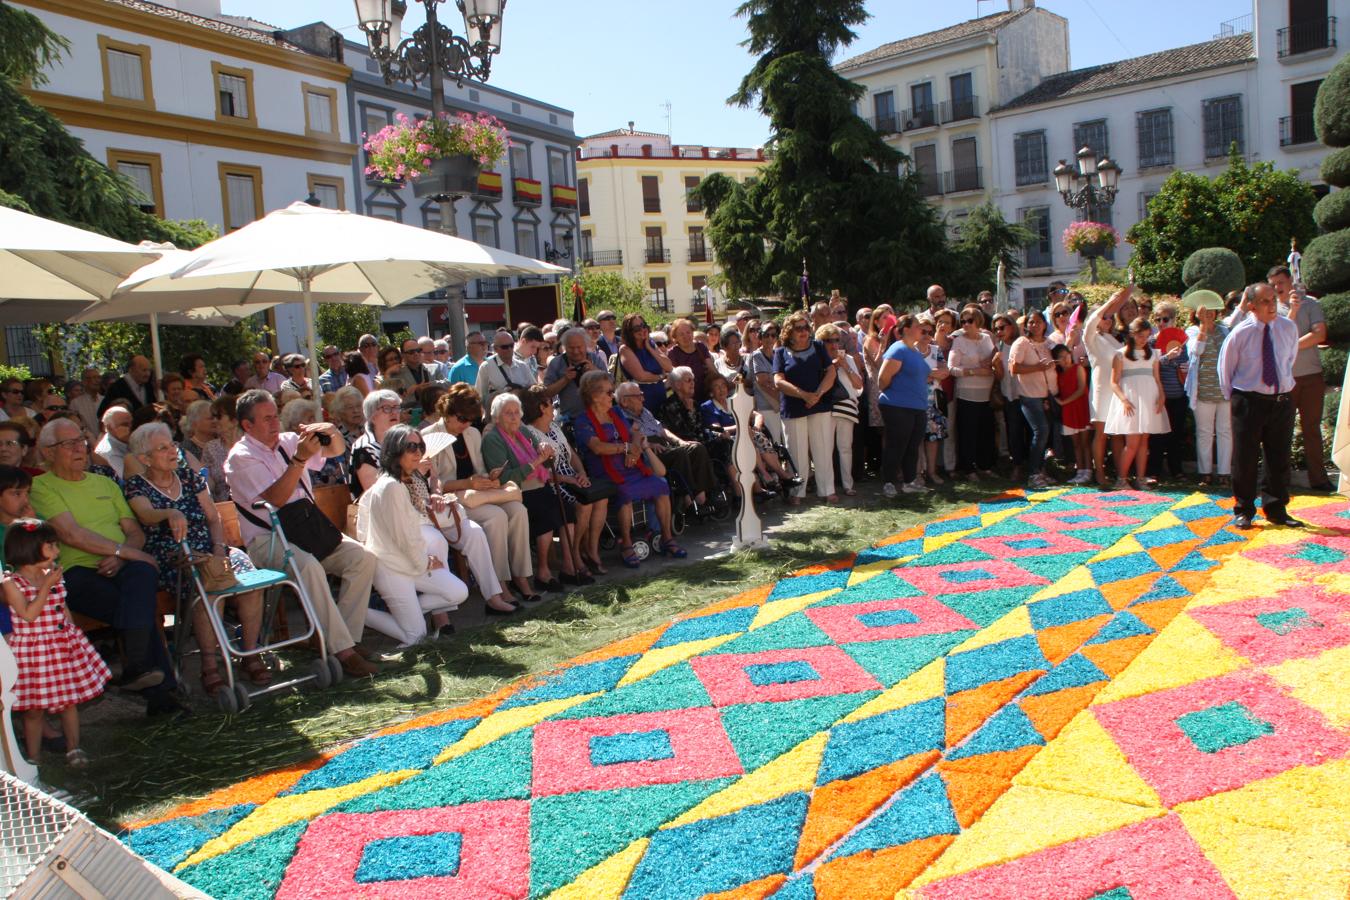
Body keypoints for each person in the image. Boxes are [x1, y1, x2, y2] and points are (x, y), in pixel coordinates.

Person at [224, 390, 380, 678]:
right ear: (247, 425)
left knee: (363, 558)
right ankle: (344, 652)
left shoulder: (286, 441)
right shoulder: (240, 458)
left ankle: (341, 638)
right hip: (266, 539)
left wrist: (329, 430)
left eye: (276, 415)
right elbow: (276, 500)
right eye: (267, 418)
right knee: (308, 567)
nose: (275, 423)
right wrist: (297, 461)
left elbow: (335, 451)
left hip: (307, 530)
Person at [30, 418, 179, 714]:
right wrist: (124, 551)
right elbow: (72, 534)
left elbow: (134, 532)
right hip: (77, 572)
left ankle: (138, 669)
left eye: (81, 441)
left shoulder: (105, 483)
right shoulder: (41, 486)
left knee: (142, 576)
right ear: (47, 452)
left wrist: (123, 555)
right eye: (68, 443)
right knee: (139, 605)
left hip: (123, 564)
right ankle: (160, 691)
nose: (79, 448)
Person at [124, 422, 269, 695]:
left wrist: (217, 548)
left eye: (172, 445)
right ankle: (210, 667)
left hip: (210, 549)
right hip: (175, 557)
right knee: (206, 592)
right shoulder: (136, 486)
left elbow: (213, 518)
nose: (171, 451)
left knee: (251, 582)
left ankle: (250, 655)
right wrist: (169, 513)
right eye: (162, 448)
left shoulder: (189, 478)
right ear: (144, 459)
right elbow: (144, 514)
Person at [2, 519, 110, 768]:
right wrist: (45, 588)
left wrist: (72, 633)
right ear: (29, 547)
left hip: (60, 644)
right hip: (32, 652)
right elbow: (28, 615)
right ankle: (33, 758)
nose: (57, 551)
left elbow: (63, 608)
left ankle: (74, 748)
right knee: (33, 709)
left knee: (68, 701)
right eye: (51, 546)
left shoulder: (53, 576)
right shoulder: (11, 583)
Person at [423, 385, 535, 608]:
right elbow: (432, 485)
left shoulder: (471, 433)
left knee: (518, 510)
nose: (466, 424)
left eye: (471, 419)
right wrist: (468, 483)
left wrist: (489, 477)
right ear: (447, 411)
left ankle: (521, 575)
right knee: (496, 517)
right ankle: (500, 583)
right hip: (452, 499)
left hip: (476, 493)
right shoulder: (428, 437)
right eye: (462, 418)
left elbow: (479, 468)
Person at [356, 425, 466, 645]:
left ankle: (410, 613)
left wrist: (423, 561)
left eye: (420, 446)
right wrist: (425, 561)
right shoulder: (390, 486)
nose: (418, 452)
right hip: (391, 568)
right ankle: (357, 613)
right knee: (416, 637)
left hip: (410, 562)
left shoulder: (398, 483)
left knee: (458, 592)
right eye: (411, 446)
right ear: (395, 451)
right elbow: (402, 537)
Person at [574, 371, 683, 567]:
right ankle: (626, 543)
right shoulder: (583, 420)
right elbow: (597, 447)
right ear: (594, 395)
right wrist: (625, 448)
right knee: (624, 494)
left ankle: (667, 538)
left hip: (631, 466)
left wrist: (633, 450)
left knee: (661, 486)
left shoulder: (615, 412)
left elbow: (635, 432)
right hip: (606, 472)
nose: (612, 396)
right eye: (608, 392)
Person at [1219, 283, 1302, 529]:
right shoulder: (1240, 333)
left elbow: (1289, 359)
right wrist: (1236, 400)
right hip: (1249, 400)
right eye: (1265, 301)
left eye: (1273, 299)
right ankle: (1243, 509)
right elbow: (1226, 369)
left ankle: (1276, 508)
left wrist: (1281, 388)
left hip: (1281, 400)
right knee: (1245, 457)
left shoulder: (1288, 327)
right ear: (1252, 306)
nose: (1271, 305)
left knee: (1279, 456)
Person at [480, 392, 570, 590]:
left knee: (561, 510)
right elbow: (503, 478)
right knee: (544, 515)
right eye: (507, 413)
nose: (514, 417)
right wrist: (535, 462)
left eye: (516, 412)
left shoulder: (522, 430)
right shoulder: (492, 439)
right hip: (516, 491)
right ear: (496, 416)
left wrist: (544, 447)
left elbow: (540, 445)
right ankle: (540, 572)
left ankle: (558, 568)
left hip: (539, 484)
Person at [522, 385, 609, 584]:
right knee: (584, 504)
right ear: (542, 407)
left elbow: (572, 454)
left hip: (572, 477)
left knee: (600, 497)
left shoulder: (554, 427)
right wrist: (570, 479)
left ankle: (591, 550)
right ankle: (575, 554)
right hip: (552, 482)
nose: (553, 407)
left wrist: (581, 473)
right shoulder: (530, 434)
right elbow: (541, 472)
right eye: (550, 403)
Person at [1268, 264, 1332, 490]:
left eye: (1281, 283)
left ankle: (1319, 479)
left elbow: (1320, 334)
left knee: (1311, 429)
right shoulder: (1271, 309)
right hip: (1285, 380)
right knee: (1280, 431)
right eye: (1273, 285)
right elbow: (1276, 339)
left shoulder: (1311, 304)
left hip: (1312, 376)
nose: (1277, 288)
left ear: (1291, 282)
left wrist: (1291, 347)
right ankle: (1279, 480)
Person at [616, 380, 719, 514]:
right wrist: (650, 444)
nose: (643, 398)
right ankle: (688, 497)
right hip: (649, 452)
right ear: (624, 401)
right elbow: (631, 439)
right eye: (638, 396)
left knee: (696, 448)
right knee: (680, 454)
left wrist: (680, 441)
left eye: (642, 394)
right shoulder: (621, 416)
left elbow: (662, 430)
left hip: (664, 445)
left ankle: (704, 494)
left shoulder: (645, 411)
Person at [773, 312, 838, 505]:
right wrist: (803, 395)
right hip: (794, 407)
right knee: (796, 452)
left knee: (823, 449)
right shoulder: (781, 352)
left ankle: (827, 490)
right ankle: (797, 492)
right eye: (798, 328)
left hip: (819, 405)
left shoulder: (818, 347)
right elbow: (778, 380)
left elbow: (831, 372)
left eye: (805, 327)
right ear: (789, 331)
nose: (803, 332)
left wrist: (817, 394)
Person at [1106, 317, 1168, 489]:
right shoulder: (1120, 354)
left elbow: (1157, 378)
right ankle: (1121, 478)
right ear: (1132, 334)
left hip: (1149, 399)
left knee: (1143, 442)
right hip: (1131, 401)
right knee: (1132, 442)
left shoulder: (1154, 354)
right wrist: (1123, 399)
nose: (1143, 339)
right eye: (1140, 335)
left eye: (1146, 336)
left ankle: (1140, 478)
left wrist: (1162, 395)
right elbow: (1113, 381)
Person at [876, 315, 929, 498]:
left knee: (912, 446)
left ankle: (909, 482)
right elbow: (882, 379)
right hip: (897, 406)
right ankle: (889, 482)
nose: (921, 330)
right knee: (896, 445)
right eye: (917, 326)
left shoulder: (914, 351)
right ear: (906, 329)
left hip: (917, 406)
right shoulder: (897, 349)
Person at [1184, 293, 1233, 487]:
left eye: (1212, 310)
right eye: (1205, 311)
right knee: (1204, 432)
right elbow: (1196, 351)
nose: (1209, 314)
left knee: (1225, 431)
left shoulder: (1224, 330)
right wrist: (1203, 326)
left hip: (1224, 389)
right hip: (1203, 389)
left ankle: (1224, 473)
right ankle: (1205, 473)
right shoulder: (1192, 331)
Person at [1084, 287, 1130, 486]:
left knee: (1118, 435)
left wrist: (1125, 294)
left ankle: (1122, 477)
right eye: (1105, 317)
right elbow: (1092, 320)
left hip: (1117, 391)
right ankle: (1100, 474)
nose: (1108, 320)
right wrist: (1108, 303)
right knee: (1101, 434)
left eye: (1110, 317)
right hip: (1101, 392)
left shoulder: (1114, 339)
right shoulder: (1090, 338)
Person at [948, 304, 1000, 479]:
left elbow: (995, 358)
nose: (965, 324)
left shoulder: (986, 338)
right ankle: (969, 468)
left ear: (978, 321)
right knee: (968, 432)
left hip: (987, 393)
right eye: (962, 321)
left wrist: (990, 364)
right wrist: (974, 371)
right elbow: (951, 368)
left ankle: (985, 466)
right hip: (967, 393)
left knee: (986, 431)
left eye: (969, 321)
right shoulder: (958, 340)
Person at [1010, 309, 1058, 489]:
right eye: (1031, 322)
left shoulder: (1049, 343)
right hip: (1030, 396)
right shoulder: (1022, 342)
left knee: (1045, 435)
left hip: (1048, 395)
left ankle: (1041, 470)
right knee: (1041, 431)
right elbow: (1014, 368)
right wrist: (1037, 368)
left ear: (1045, 324)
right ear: (1026, 325)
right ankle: (1034, 473)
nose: (1034, 325)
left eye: (1038, 322)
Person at [816, 323, 863, 496]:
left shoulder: (848, 359)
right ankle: (829, 488)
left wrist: (845, 366)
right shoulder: (818, 360)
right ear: (821, 342)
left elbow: (859, 385)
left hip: (846, 407)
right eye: (829, 341)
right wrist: (832, 367)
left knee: (845, 447)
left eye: (837, 340)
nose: (834, 344)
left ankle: (848, 485)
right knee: (826, 448)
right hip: (826, 407)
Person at [1149, 300, 1189, 481]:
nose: (1161, 323)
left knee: (1176, 435)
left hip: (1178, 395)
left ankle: (1177, 470)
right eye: (1158, 319)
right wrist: (1167, 357)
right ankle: (1154, 471)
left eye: (1165, 319)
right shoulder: (1151, 341)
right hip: (1159, 396)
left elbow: (1185, 365)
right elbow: (1150, 365)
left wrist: (1179, 361)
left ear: (1173, 319)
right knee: (1157, 436)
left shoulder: (1182, 342)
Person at [348, 389, 403, 499]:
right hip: (378, 510)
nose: (394, 412)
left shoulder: (405, 441)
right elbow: (377, 493)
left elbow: (432, 477)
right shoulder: (363, 448)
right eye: (387, 409)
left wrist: (435, 490)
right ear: (372, 416)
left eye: (397, 407)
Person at [618, 313, 673, 412]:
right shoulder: (625, 349)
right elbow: (641, 376)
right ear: (629, 332)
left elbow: (669, 367)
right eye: (636, 328)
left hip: (659, 393)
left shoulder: (651, 344)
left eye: (643, 326)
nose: (642, 330)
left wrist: (650, 348)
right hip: (641, 398)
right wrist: (661, 376)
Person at [1053, 344, 1093, 483]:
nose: (1065, 359)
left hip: (1081, 409)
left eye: (1067, 355)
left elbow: (1082, 389)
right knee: (1075, 444)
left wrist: (1065, 402)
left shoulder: (1078, 368)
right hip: (1069, 412)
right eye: (1061, 357)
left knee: (1085, 442)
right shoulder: (1058, 374)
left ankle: (1088, 471)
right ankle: (1080, 470)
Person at [543, 328, 601, 421]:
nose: (576, 351)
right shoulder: (557, 363)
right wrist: (565, 379)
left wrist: (595, 371)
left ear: (586, 345)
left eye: (579, 347)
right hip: (571, 419)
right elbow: (546, 393)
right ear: (564, 347)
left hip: (599, 416)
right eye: (571, 348)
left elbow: (611, 385)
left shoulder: (595, 359)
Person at [476, 330, 534, 407]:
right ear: (495, 348)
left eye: (511, 345)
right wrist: (501, 394)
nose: (509, 349)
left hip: (522, 414)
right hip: (498, 415)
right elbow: (480, 397)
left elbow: (534, 390)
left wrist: (521, 392)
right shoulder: (486, 367)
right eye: (505, 347)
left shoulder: (522, 366)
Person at [667, 319, 718, 405]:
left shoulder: (701, 347)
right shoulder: (673, 353)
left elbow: (712, 369)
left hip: (705, 395)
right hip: (685, 400)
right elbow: (674, 378)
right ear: (675, 337)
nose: (686, 336)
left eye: (688, 332)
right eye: (681, 334)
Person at [200, 393, 240, 501]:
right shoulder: (210, 448)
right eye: (213, 417)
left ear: (234, 420)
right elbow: (206, 483)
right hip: (223, 506)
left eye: (219, 416)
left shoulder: (250, 444)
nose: (214, 421)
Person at [749, 320, 783, 443]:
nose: (770, 338)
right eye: (766, 335)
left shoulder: (777, 354)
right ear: (760, 336)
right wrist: (780, 397)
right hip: (765, 406)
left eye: (773, 335)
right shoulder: (756, 355)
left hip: (779, 406)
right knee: (773, 442)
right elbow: (762, 381)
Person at [94, 406, 133, 479]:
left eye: (132, 423)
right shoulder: (109, 452)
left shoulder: (125, 441)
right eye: (125, 425)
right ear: (109, 427)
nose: (131, 427)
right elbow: (128, 479)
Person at [180, 400, 216, 466]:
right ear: (194, 422)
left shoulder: (223, 443)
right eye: (210, 418)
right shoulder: (185, 449)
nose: (215, 421)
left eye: (216, 418)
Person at [69, 368, 104, 435]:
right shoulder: (75, 403)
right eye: (93, 377)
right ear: (84, 382)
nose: (97, 381)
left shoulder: (104, 400)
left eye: (98, 377)